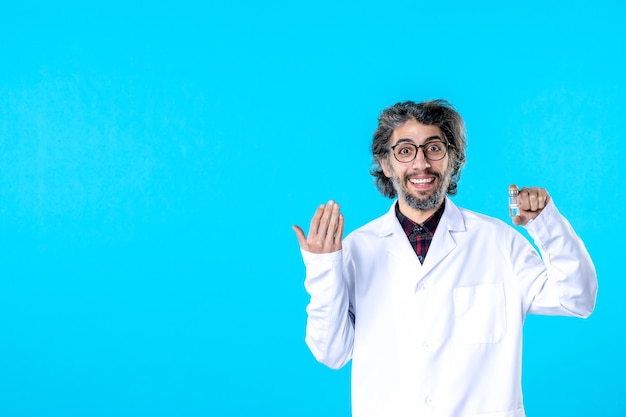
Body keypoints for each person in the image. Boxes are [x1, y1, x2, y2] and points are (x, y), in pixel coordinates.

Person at [292, 99, 598, 417]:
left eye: (434, 148)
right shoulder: (357, 250)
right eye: (405, 150)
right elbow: (331, 352)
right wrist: (324, 269)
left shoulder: (498, 242)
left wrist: (546, 224)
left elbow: (578, 299)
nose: (421, 164)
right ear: (386, 164)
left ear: (453, 159)